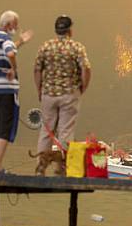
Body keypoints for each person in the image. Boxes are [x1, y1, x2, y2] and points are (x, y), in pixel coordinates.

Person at [33, 15, 92, 175]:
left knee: (46, 131)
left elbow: (37, 69)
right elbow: (86, 69)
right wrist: (82, 87)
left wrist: (39, 89)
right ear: (70, 30)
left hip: (48, 94)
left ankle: (40, 167)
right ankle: (63, 168)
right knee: (66, 131)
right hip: (69, 94)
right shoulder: (77, 47)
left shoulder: (46, 47)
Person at [0, 10, 33, 174]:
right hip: (6, 90)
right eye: (15, 25)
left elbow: (9, 49)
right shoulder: (5, 39)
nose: (17, 27)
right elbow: (10, 52)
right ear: (8, 24)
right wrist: (14, 68)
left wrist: (21, 42)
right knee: (5, 128)